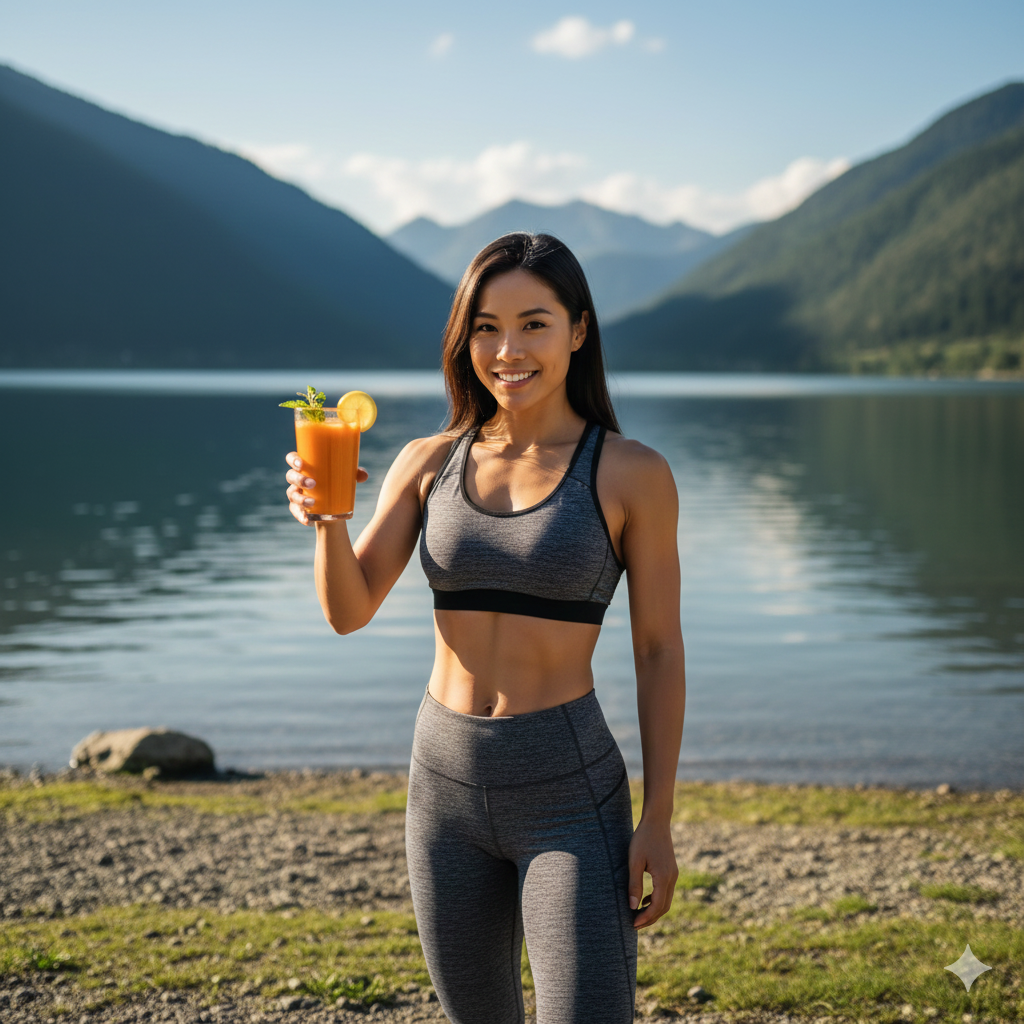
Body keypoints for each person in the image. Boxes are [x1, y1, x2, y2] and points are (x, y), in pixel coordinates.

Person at [285, 232, 685, 1024]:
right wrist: (328, 519)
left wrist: (660, 819)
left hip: (566, 788)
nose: (508, 349)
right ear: (464, 338)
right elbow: (348, 609)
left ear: (578, 330)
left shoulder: (631, 472)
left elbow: (658, 650)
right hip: (442, 785)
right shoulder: (426, 461)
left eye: (534, 324)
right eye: (485, 327)